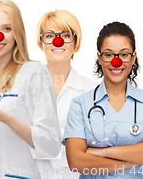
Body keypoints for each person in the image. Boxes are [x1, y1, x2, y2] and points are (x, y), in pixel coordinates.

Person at [0, 0, 61, 179]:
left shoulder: (34, 73)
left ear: (17, 34)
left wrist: (5, 118)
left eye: (7, 29)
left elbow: (51, 144)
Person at [63, 22, 143, 178]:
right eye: (108, 54)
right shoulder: (80, 105)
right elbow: (76, 161)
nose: (116, 62)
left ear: (133, 58)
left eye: (124, 54)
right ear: (99, 59)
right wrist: (135, 160)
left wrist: (104, 152)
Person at [34, 10, 97, 179]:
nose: (58, 41)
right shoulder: (24, 87)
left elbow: (95, 145)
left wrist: (43, 141)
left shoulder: (93, 91)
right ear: (41, 43)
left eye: (65, 35)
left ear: (76, 43)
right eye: (50, 35)